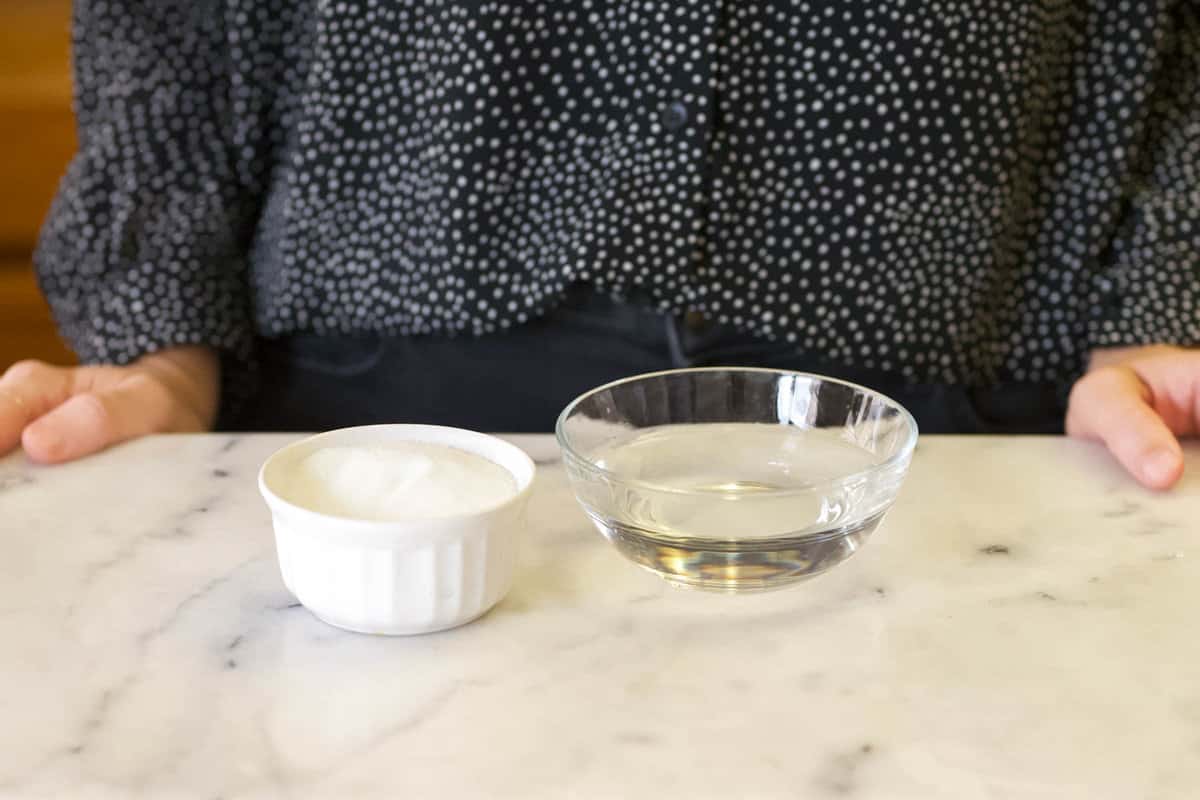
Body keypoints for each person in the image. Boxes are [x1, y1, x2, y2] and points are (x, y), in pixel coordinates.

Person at [0, 1, 1196, 490]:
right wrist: (164, 343)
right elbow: (162, 22)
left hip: (986, 379)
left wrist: (1168, 293)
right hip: (367, 393)